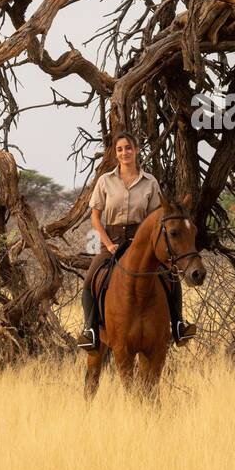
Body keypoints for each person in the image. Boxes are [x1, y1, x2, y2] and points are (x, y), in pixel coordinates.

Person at [76, 130, 196, 350]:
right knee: (91, 277)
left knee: (170, 274)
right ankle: (90, 330)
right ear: (115, 153)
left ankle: (179, 324)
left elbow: (155, 218)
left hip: (141, 242)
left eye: (128, 148)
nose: (124, 153)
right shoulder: (105, 181)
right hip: (112, 240)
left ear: (137, 150)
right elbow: (95, 217)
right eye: (120, 149)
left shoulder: (150, 182)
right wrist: (108, 243)